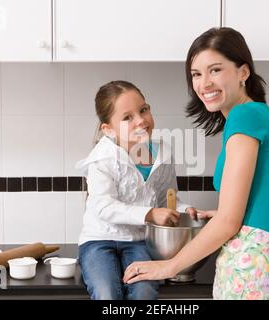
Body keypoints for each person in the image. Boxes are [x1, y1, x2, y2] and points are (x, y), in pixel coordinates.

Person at [123, 28, 269, 300]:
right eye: (196, 74)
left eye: (215, 70)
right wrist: (242, 221)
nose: (204, 83)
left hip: (250, 276)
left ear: (243, 72)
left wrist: (168, 266)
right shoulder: (263, 120)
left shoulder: (244, 119)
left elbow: (229, 222)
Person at [75, 80, 197, 300]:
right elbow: (103, 206)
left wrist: (184, 210)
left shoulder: (163, 154)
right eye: (127, 117)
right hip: (99, 241)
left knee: (144, 289)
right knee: (107, 292)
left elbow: (166, 200)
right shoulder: (102, 158)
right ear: (108, 129)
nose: (141, 120)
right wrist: (149, 214)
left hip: (140, 241)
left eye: (143, 110)